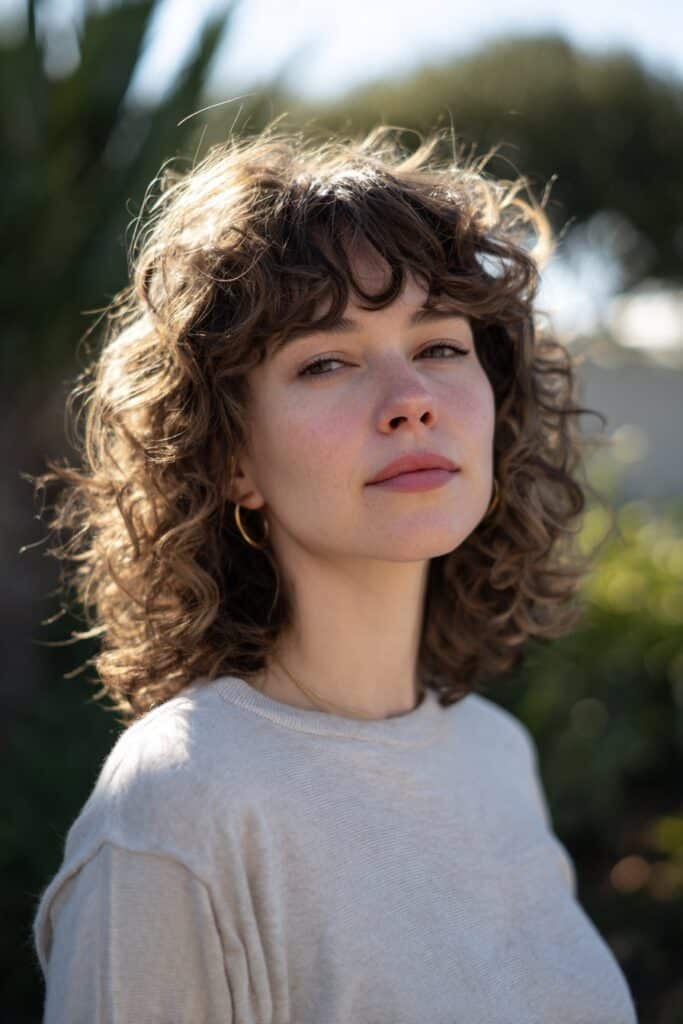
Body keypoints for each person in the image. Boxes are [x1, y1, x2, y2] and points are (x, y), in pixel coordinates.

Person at [30, 118, 638, 1022]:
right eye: (325, 362)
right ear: (230, 458)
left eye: (439, 347)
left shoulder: (495, 755)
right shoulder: (177, 806)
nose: (410, 402)